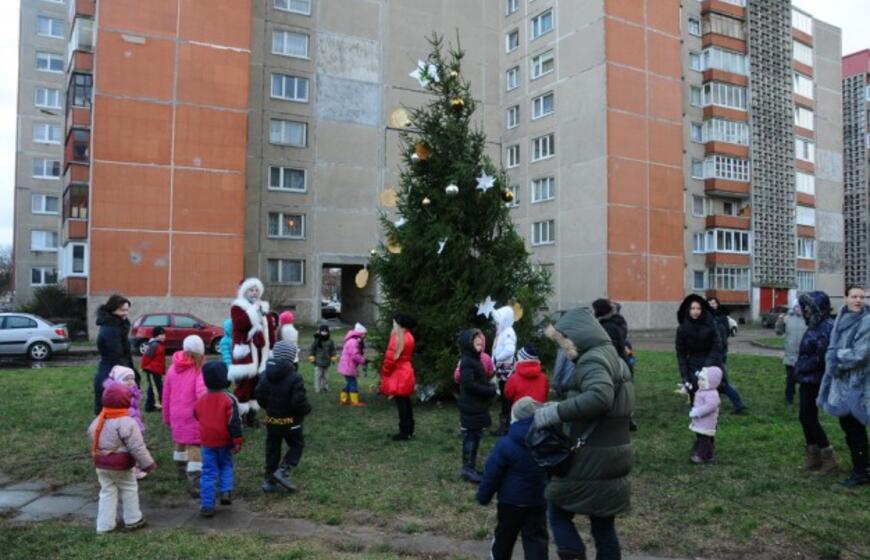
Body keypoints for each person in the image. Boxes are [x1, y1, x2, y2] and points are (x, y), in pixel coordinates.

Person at [539, 308, 634, 560]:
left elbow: (600, 398)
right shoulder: (613, 357)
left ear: (575, 337)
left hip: (590, 457)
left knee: (556, 509)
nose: (562, 349)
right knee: (603, 525)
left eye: (562, 342)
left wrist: (557, 412)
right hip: (612, 455)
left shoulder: (592, 360)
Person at [476, 397, 549, 560]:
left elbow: (492, 474)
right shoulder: (546, 442)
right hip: (537, 500)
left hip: (510, 502)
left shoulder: (505, 444)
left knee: (503, 538)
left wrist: (483, 496)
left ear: (514, 418)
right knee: (536, 541)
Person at [819, 285, 870, 487]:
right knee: (848, 426)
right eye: (854, 296)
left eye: (862, 297)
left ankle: (862, 471)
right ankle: (862, 466)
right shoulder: (842, 317)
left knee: (855, 427)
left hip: (858, 382)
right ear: (845, 298)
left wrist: (836, 359)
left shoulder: (866, 321)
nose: (858, 300)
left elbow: (861, 353)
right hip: (842, 382)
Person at [89, 383, 155, 534]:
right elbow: (137, 447)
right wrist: (148, 464)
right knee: (129, 488)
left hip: (101, 463)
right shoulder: (127, 422)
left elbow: (92, 434)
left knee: (107, 491)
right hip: (121, 464)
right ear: (126, 401)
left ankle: (104, 525)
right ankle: (133, 519)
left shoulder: (99, 419)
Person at [255, 341, 311, 492]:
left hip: (272, 420)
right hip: (291, 422)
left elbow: (259, 396)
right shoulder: (295, 377)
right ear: (292, 357)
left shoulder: (264, 375)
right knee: (297, 444)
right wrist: (306, 409)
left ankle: (268, 480)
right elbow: (298, 402)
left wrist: (270, 408)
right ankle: (283, 470)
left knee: (272, 448)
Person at [795, 291, 837, 474]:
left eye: (808, 306)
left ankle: (828, 457)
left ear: (818, 308)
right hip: (807, 378)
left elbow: (823, 357)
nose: (805, 309)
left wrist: (802, 366)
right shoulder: (814, 326)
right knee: (804, 416)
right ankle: (813, 454)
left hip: (816, 379)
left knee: (808, 417)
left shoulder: (826, 327)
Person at [194, 361, 243, 517]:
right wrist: (237, 440)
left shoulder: (201, 399)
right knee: (226, 465)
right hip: (225, 441)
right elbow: (235, 422)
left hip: (207, 442)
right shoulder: (229, 399)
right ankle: (225, 492)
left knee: (208, 472)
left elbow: (196, 415)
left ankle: (207, 505)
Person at [162, 335, 207, 498]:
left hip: (176, 415)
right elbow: (201, 394)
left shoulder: (172, 368)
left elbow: (166, 395)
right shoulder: (198, 370)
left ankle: (180, 471)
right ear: (199, 354)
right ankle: (195, 482)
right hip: (192, 416)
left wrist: (166, 416)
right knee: (194, 446)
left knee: (180, 442)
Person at [228, 278, 272, 427]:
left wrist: (270, 348)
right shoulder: (237, 307)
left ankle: (251, 418)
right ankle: (237, 417)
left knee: (256, 386)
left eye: (256, 290)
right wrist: (254, 310)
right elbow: (241, 324)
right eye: (251, 290)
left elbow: (269, 329)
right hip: (245, 354)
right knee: (243, 387)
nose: (254, 293)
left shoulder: (263, 308)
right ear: (244, 291)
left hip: (260, 353)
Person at [457, 328, 497, 483]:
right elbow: (470, 385)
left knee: (475, 435)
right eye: (476, 343)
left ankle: (470, 467)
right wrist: (489, 390)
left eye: (481, 343)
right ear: (469, 345)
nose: (480, 345)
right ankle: (467, 469)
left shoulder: (474, 359)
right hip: (471, 406)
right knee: (471, 437)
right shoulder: (467, 362)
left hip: (476, 405)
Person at [93, 294, 135, 415]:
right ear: (112, 310)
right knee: (110, 410)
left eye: (127, 310)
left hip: (115, 370)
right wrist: (130, 375)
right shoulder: (111, 329)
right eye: (122, 310)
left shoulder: (118, 326)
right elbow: (117, 355)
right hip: (111, 373)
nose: (125, 313)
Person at [707, 296, 749, 414]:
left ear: (717, 304)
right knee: (716, 381)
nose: (711, 305)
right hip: (714, 354)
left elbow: (722, 338)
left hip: (717, 354)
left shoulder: (720, 318)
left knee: (720, 383)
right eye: (709, 303)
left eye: (713, 303)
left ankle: (738, 403)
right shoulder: (709, 318)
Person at [380, 314, 417, 441]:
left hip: (398, 374)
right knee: (406, 402)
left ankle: (404, 432)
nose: (393, 324)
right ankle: (410, 430)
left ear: (399, 323)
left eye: (394, 322)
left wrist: (385, 374)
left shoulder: (397, 338)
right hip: (406, 371)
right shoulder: (409, 336)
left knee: (401, 404)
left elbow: (390, 359)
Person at [491, 305, 518, 436]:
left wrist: (496, 359)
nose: (496, 323)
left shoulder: (508, 332)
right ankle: (505, 425)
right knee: (504, 397)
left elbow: (509, 350)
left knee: (506, 398)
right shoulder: (503, 331)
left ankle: (506, 426)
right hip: (502, 370)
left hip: (506, 372)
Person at [689, 367, 722, 464]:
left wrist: (698, 411)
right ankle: (709, 455)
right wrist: (687, 387)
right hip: (701, 421)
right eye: (699, 379)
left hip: (707, 421)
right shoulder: (703, 390)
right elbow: (694, 391)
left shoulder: (712, 394)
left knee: (704, 438)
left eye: (703, 380)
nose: (699, 382)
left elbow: (710, 406)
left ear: (712, 382)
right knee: (702, 437)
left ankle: (700, 456)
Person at [776, 300, 807, 405]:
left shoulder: (808, 319)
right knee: (790, 379)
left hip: (804, 355)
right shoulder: (787, 318)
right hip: (790, 354)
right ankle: (789, 399)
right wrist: (779, 322)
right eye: (796, 306)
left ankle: (805, 400)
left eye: (801, 306)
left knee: (804, 380)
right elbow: (779, 332)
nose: (798, 309)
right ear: (793, 307)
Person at [337, 323, 368, 406]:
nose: (365, 336)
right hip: (348, 366)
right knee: (353, 383)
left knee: (349, 383)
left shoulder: (353, 340)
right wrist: (363, 360)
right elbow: (355, 355)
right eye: (365, 334)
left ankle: (343, 399)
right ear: (360, 334)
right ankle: (354, 402)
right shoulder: (354, 342)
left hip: (347, 366)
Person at [140, 326, 167, 412]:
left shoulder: (160, 345)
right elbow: (146, 357)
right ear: (155, 336)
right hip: (152, 371)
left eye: (164, 334)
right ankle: (157, 405)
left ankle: (149, 406)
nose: (163, 336)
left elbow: (160, 360)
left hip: (157, 371)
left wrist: (162, 371)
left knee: (153, 388)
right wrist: (145, 367)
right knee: (156, 389)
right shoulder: (154, 345)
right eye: (160, 334)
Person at [308, 324, 336, 393]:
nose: (324, 332)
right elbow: (312, 350)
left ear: (328, 332)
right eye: (322, 331)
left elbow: (333, 350)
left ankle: (325, 387)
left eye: (326, 331)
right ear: (320, 331)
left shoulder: (330, 341)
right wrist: (312, 358)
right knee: (318, 376)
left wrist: (333, 357)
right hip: (318, 362)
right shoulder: (316, 341)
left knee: (326, 377)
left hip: (327, 362)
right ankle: (317, 389)